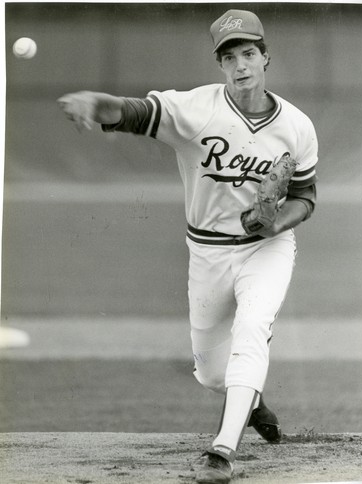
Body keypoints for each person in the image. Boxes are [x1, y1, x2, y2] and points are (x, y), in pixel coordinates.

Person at [58, 9, 318, 484]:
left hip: (266, 250)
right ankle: (251, 398)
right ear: (219, 64)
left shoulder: (297, 126)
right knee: (213, 374)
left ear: (265, 58)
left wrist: (276, 223)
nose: (239, 65)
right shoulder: (195, 109)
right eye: (229, 57)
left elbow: (305, 196)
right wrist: (96, 103)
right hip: (207, 253)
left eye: (248, 53)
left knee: (252, 330)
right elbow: (133, 111)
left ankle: (221, 453)